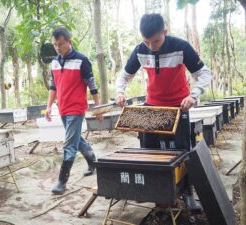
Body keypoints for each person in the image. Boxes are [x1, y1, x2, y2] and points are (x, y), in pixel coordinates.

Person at [115, 13, 212, 212]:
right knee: (149, 151)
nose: (151, 46)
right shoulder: (140, 50)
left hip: (179, 106)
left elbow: (204, 73)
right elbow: (125, 75)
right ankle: (157, 193)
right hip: (152, 107)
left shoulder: (181, 46)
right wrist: (120, 92)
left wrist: (193, 95)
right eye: (146, 41)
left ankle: (187, 193)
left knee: (183, 151)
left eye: (156, 40)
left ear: (165, 33)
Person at [45, 27, 102, 195]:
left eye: (61, 44)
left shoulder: (82, 60)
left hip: (76, 108)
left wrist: (98, 107)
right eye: (55, 45)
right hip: (62, 107)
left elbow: (92, 85)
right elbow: (53, 86)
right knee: (75, 138)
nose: (58, 48)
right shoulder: (54, 62)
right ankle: (92, 160)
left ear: (69, 42)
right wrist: (49, 106)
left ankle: (61, 182)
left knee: (69, 144)